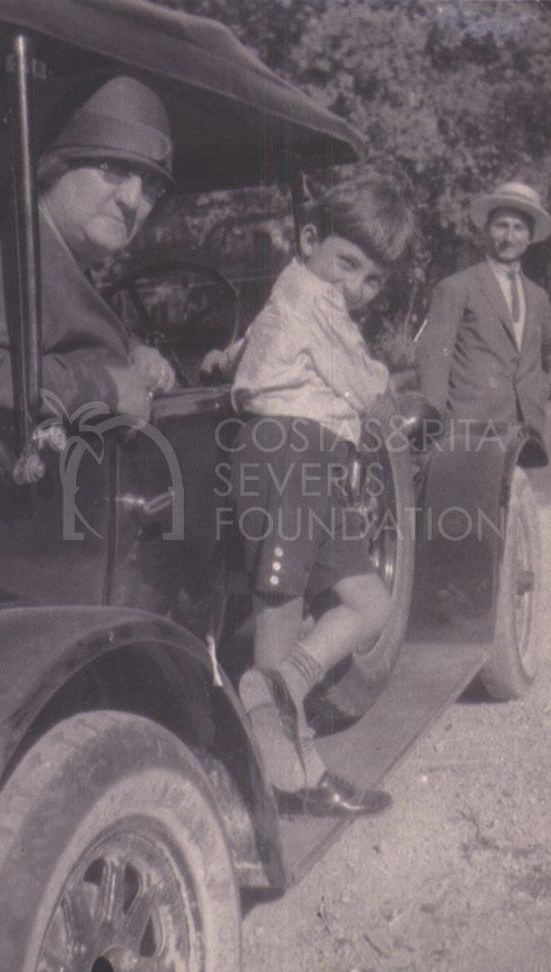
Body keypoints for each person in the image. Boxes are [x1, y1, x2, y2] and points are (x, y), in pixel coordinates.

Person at [218, 179, 415, 817]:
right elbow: (364, 386)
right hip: (287, 451)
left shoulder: (291, 293)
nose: (355, 286)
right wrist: (389, 390)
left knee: (369, 600)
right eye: (347, 263)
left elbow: (243, 350)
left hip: (314, 456)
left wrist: (222, 361)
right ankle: (290, 777)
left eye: (373, 280)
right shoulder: (314, 300)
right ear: (308, 243)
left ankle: (282, 685)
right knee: (281, 607)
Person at [0, 75, 176, 417]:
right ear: (59, 165)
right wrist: (104, 388)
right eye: (112, 167)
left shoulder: (47, 247)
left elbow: (66, 324)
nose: (132, 199)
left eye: (151, 184)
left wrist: (134, 349)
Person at [415, 181, 551, 446]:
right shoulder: (456, 287)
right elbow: (434, 360)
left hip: (523, 430)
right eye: (501, 226)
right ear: (485, 230)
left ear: (530, 237)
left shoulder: (537, 295)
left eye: (518, 228)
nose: (509, 237)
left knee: (515, 488)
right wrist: (435, 429)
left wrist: (546, 386)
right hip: (469, 428)